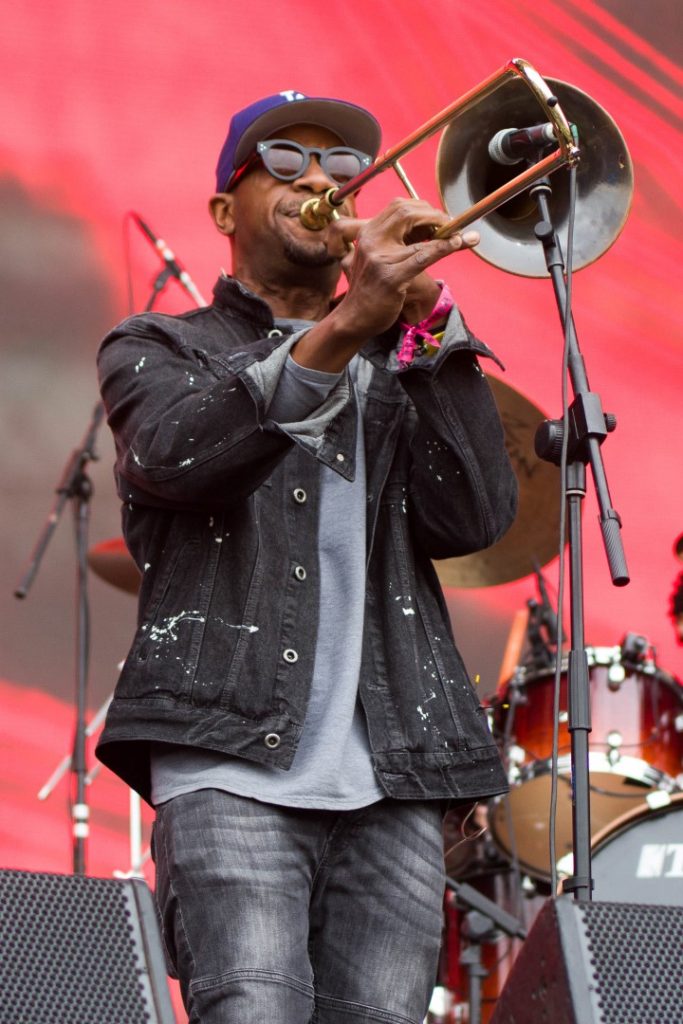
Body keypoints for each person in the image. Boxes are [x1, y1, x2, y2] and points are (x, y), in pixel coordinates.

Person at [96, 90, 518, 1024]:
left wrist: (429, 323)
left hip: (394, 776)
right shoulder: (160, 344)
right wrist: (349, 324)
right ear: (224, 210)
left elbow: (476, 516)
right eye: (284, 162)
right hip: (227, 756)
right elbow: (176, 458)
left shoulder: (397, 361)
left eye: (341, 167)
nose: (318, 180)